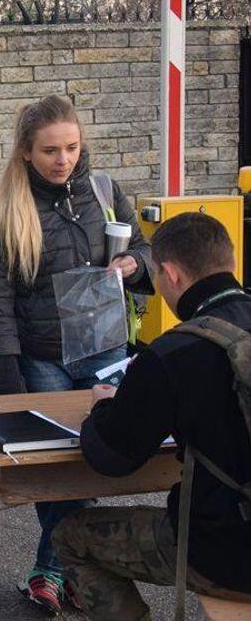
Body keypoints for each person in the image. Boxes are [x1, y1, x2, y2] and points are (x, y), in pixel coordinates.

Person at [0, 94, 153, 614]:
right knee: (57, 467)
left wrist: (133, 268)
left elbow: (142, 246)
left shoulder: (103, 191)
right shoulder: (5, 210)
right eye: (51, 150)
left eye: (72, 147)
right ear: (27, 152)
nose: (63, 159)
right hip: (42, 355)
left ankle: (56, 569)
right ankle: (61, 569)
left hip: (104, 347)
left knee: (95, 460)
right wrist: (9, 371)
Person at [53, 213, 251, 619]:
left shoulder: (172, 353)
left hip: (225, 554)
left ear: (172, 275)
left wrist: (102, 406)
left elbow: (111, 458)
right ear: (230, 262)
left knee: (71, 536)